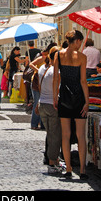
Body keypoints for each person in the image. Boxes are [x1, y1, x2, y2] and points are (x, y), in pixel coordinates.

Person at [53, 29, 89, 180]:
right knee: (80, 135)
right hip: (78, 96)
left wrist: (55, 96)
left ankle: (68, 168)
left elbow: (56, 78)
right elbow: (82, 81)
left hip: (64, 98)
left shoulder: (58, 55)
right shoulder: (81, 57)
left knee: (65, 135)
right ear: (78, 41)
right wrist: (87, 101)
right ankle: (82, 170)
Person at [38, 46, 62, 174]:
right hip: (52, 105)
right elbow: (58, 88)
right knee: (55, 135)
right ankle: (52, 161)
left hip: (42, 104)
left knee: (49, 133)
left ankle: (53, 159)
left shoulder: (42, 68)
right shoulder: (56, 71)